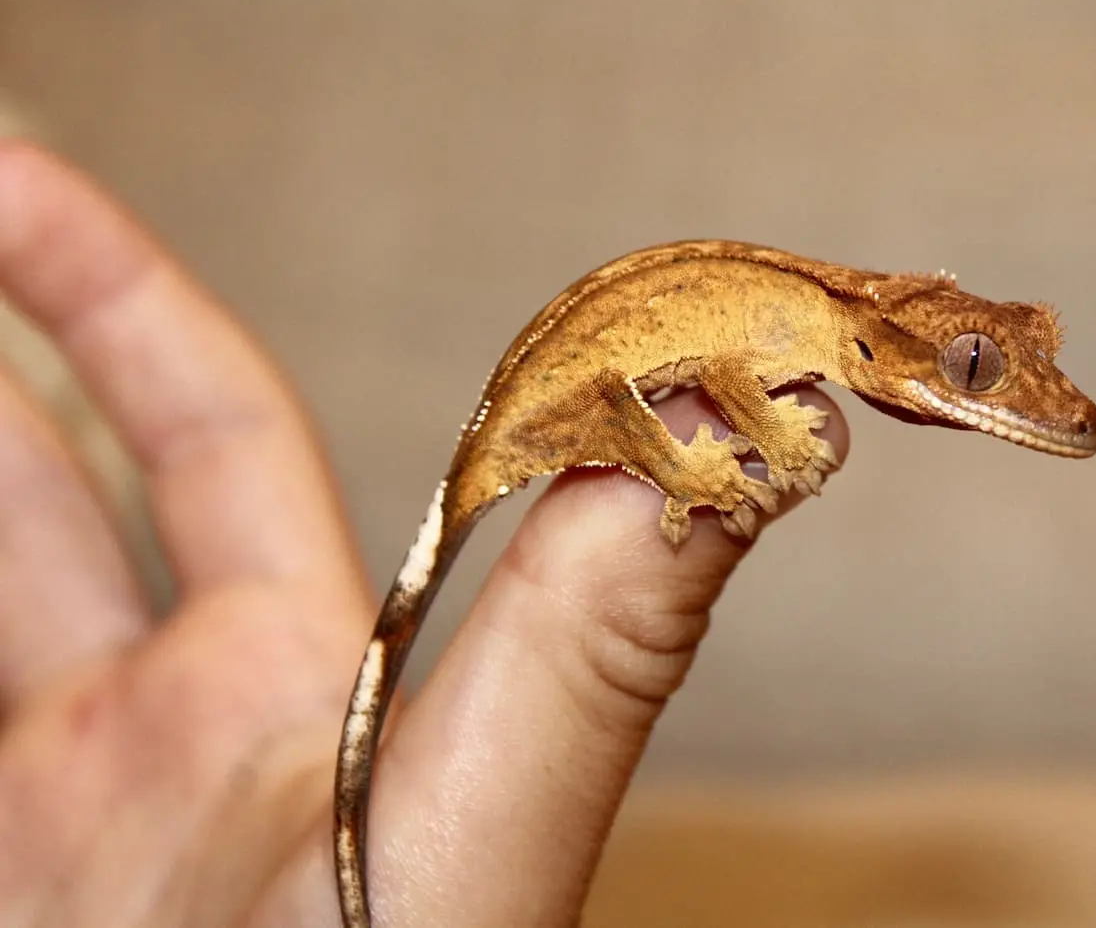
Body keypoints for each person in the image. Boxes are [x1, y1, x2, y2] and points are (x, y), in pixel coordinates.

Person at [0, 142, 848, 927]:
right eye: (969, 369)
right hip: (566, 398)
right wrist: (720, 461)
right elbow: (728, 374)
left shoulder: (814, 317)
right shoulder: (807, 323)